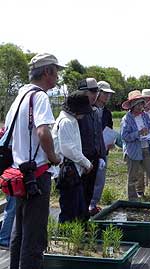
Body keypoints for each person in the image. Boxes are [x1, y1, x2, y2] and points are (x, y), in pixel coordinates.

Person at [6, 53, 62, 269]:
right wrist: (53, 157)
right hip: (36, 175)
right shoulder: (39, 97)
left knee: (19, 232)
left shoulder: (20, 95)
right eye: (56, 71)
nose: (57, 76)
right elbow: (43, 132)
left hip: (20, 173)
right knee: (34, 236)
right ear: (47, 72)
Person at [52, 91, 93, 222]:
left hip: (72, 169)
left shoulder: (70, 120)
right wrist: (86, 163)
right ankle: (66, 235)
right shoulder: (66, 122)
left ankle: (73, 233)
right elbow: (68, 148)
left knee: (77, 205)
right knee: (69, 207)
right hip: (67, 170)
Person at [121, 90, 150, 202]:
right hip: (133, 151)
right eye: (138, 104)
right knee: (133, 178)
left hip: (147, 149)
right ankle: (133, 200)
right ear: (132, 106)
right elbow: (125, 137)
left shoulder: (145, 116)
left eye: (142, 103)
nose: (141, 106)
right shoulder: (126, 119)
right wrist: (138, 133)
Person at [77, 78, 107, 213]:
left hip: (94, 159)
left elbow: (98, 136)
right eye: (92, 92)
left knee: (89, 191)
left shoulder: (95, 111)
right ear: (83, 92)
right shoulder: (76, 113)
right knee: (79, 194)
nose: (95, 95)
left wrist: (101, 155)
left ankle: (86, 218)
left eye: (96, 92)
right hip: (80, 160)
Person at [89, 81, 115, 216]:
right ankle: (86, 205)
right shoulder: (89, 110)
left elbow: (109, 129)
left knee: (100, 179)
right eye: (105, 93)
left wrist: (110, 142)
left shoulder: (107, 113)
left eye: (109, 94)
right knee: (88, 179)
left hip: (103, 150)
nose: (107, 96)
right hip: (89, 151)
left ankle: (93, 204)